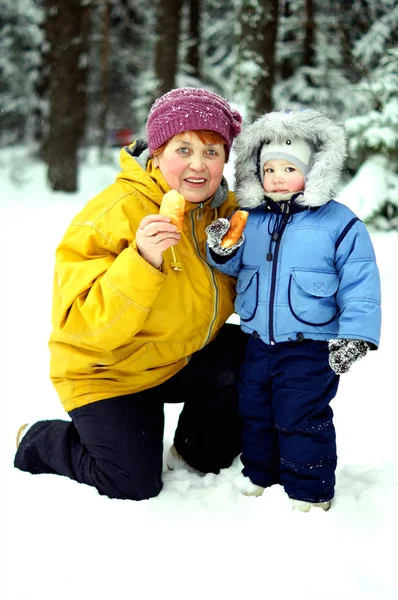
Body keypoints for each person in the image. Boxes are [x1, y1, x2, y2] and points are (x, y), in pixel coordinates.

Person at [14, 87, 247, 501]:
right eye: (183, 149)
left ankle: (193, 450)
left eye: (212, 151)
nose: (198, 164)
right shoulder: (112, 214)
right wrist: (141, 260)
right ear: (156, 154)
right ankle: (38, 440)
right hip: (109, 372)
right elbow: (83, 328)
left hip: (176, 356)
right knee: (131, 482)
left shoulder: (225, 213)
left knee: (255, 355)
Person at [205, 108, 381, 511]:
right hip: (258, 342)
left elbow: (360, 282)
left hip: (310, 343)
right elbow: (234, 267)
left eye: (289, 168)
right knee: (255, 409)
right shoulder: (249, 220)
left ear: (314, 171)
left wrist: (356, 334)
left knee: (301, 414)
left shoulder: (340, 223)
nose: (277, 178)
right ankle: (261, 472)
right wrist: (222, 249)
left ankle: (310, 489)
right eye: (269, 170)